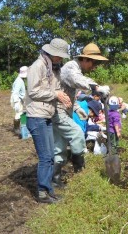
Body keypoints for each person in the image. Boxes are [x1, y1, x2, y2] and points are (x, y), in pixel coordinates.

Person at [52, 43, 109, 188]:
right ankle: (79, 170)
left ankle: (55, 178)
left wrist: (76, 108)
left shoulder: (76, 69)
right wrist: (96, 87)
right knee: (77, 134)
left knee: (60, 145)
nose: (94, 66)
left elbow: (69, 90)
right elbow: (77, 80)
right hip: (57, 111)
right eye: (93, 62)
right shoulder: (71, 67)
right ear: (85, 59)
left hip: (65, 109)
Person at [25, 38, 72, 204]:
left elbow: (55, 89)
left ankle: (49, 189)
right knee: (45, 157)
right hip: (36, 116)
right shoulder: (37, 66)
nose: (60, 59)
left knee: (51, 155)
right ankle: (42, 192)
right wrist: (55, 95)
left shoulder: (51, 68)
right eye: (59, 56)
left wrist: (63, 96)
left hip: (46, 115)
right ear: (51, 53)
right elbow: (33, 91)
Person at [10, 66, 28, 137]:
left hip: (19, 99)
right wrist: (16, 102)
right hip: (17, 99)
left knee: (22, 113)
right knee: (19, 113)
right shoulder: (19, 81)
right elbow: (15, 92)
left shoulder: (20, 80)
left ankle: (21, 129)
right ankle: (16, 129)